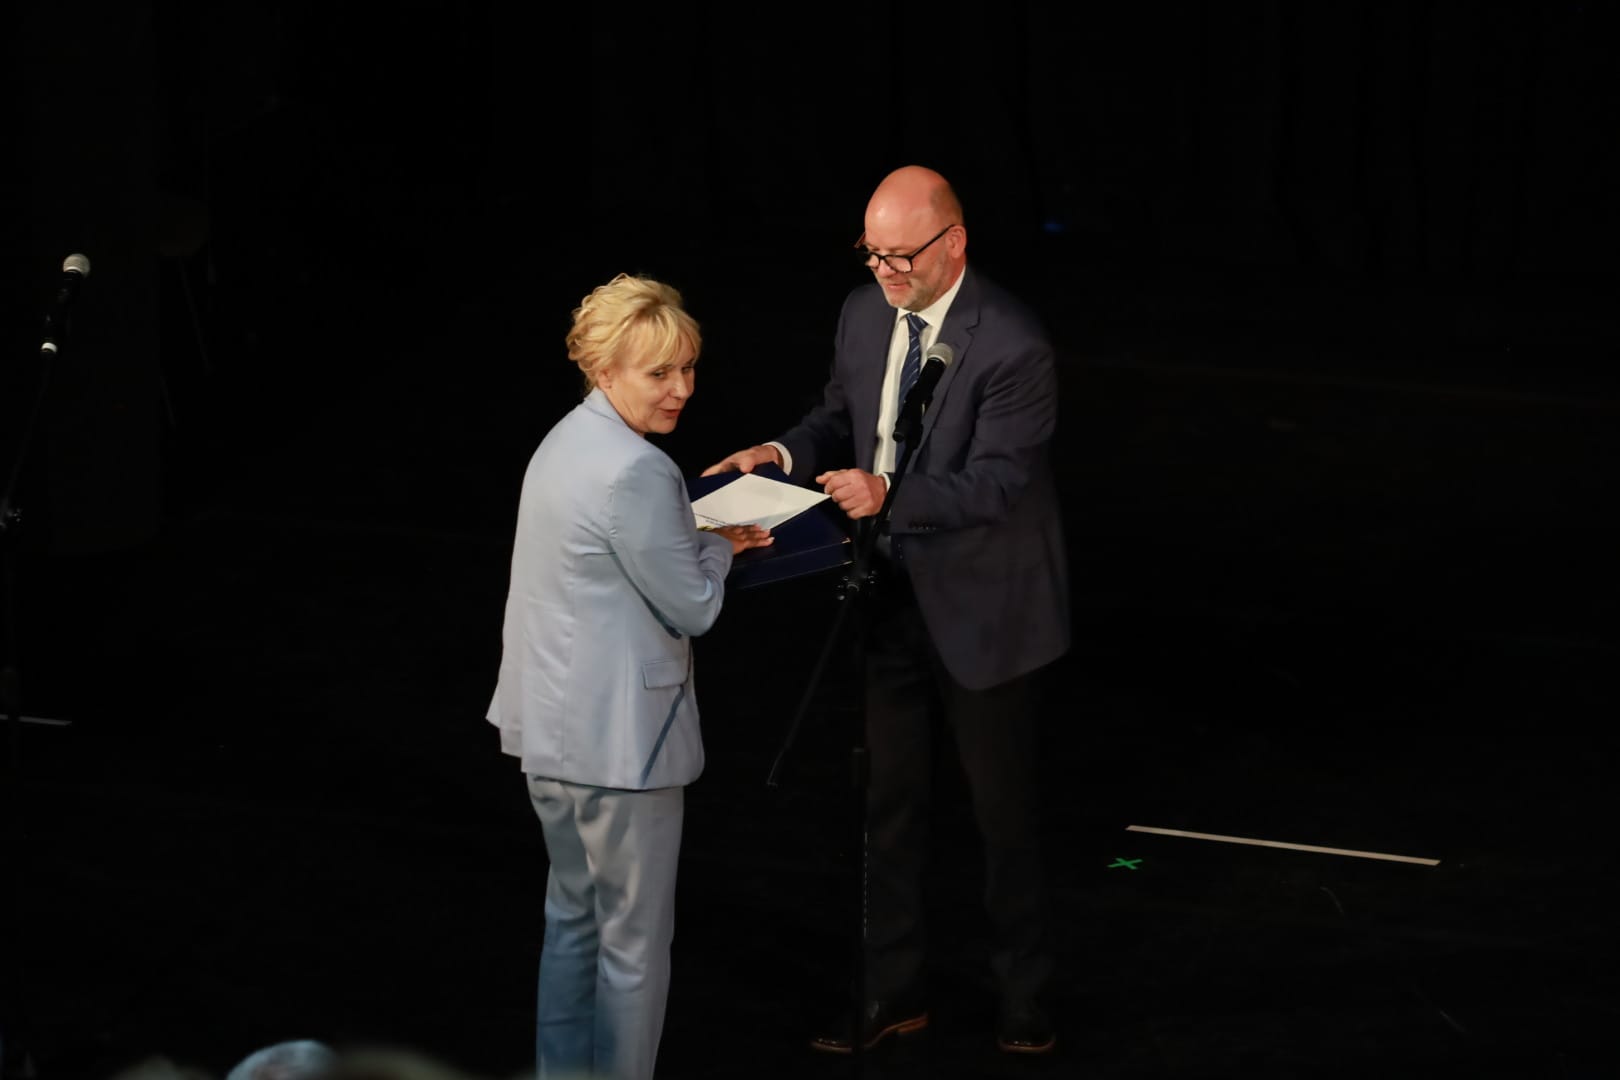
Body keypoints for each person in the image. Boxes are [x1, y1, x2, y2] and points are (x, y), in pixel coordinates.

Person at [704, 165, 1069, 1055]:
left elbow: (994, 485)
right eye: (872, 254)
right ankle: (892, 992)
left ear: (955, 243)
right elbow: (840, 414)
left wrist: (887, 493)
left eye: (901, 256)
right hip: (887, 596)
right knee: (888, 805)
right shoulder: (864, 312)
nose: (884, 272)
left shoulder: (1014, 344)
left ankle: (1024, 996)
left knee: (1002, 818)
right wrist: (780, 453)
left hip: (986, 610)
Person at [486, 272, 771, 1080]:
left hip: (550, 736)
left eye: (688, 368)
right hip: (621, 750)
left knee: (573, 923)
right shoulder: (639, 470)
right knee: (633, 947)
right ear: (604, 370)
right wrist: (718, 545)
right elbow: (695, 607)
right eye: (660, 372)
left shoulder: (562, 440)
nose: (682, 389)